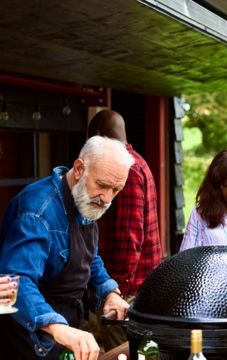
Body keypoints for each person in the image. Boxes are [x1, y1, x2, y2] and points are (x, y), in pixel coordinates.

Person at [0, 136, 134, 360]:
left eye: (116, 190)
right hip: (29, 339)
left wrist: (108, 291)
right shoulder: (37, 214)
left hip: (67, 330)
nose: (107, 198)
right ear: (79, 169)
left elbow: (88, 256)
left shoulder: (85, 197)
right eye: (102, 186)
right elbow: (14, 283)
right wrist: (56, 327)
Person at [86, 110, 162, 350]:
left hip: (127, 289)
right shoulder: (137, 161)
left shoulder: (121, 170)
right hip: (139, 285)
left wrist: (116, 291)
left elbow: (130, 239)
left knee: (122, 351)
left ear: (98, 136)